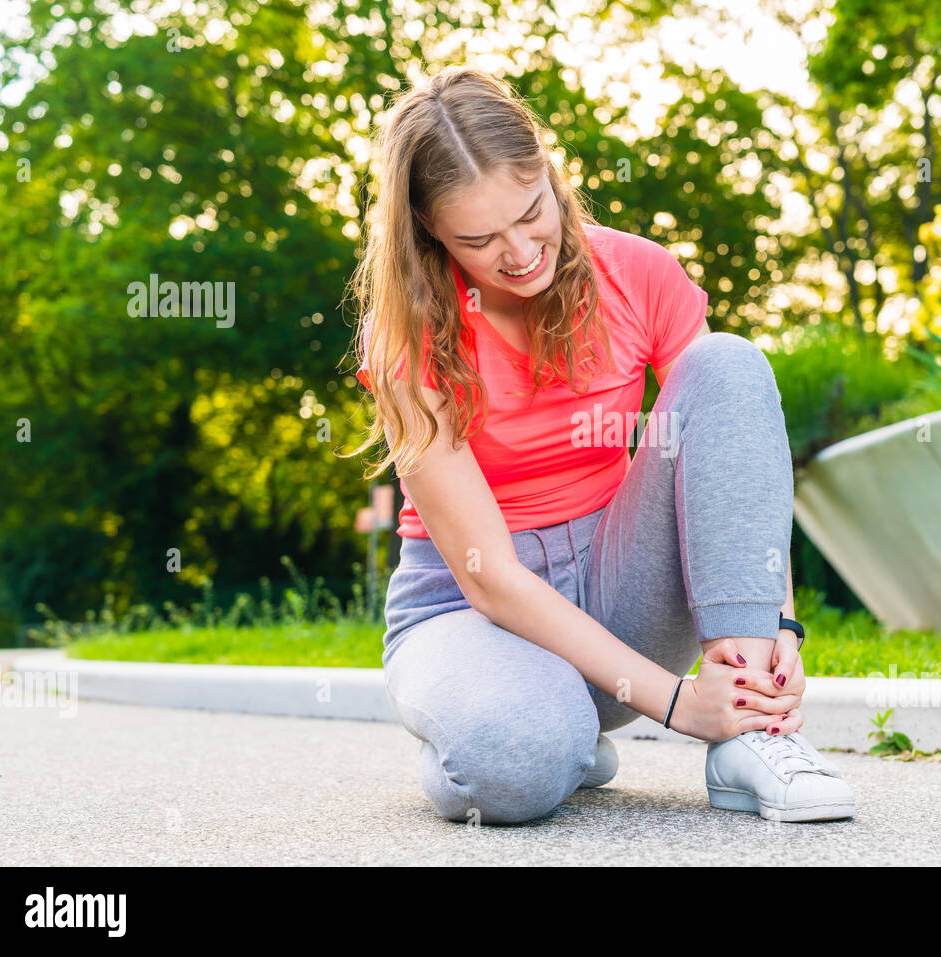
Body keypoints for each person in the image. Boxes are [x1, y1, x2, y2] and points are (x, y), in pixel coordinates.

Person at [341, 65, 854, 825]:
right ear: (430, 235)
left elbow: (732, 440)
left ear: (550, 174)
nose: (519, 253)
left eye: (531, 212)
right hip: (471, 605)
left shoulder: (639, 271)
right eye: (479, 240)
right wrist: (679, 703)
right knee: (514, 764)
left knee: (730, 362)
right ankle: (539, 741)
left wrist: (776, 626)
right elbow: (491, 581)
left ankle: (755, 738)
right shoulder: (408, 338)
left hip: (619, 577)